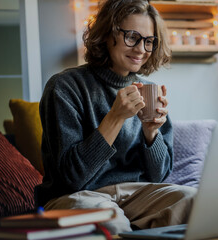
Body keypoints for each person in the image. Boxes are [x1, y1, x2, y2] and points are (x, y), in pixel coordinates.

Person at [34, 0, 196, 235]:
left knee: (193, 200)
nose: (141, 49)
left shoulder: (149, 90)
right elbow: (71, 179)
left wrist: (151, 134)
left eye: (148, 41)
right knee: (109, 220)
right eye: (132, 36)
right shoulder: (65, 87)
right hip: (78, 196)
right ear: (107, 34)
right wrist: (115, 117)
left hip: (136, 194)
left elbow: (159, 177)